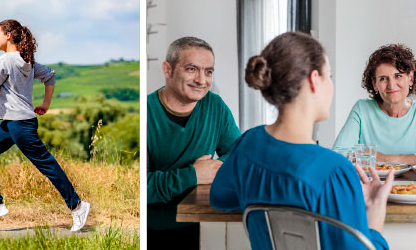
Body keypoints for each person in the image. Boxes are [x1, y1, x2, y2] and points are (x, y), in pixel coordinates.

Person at [211, 32, 391, 250]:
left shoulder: (247, 144)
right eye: (329, 76)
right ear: (315, 80)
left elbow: (220, 198)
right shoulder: (334, 171)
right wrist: (375, 216)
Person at [0, 19, 90, 232]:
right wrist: (46, 104)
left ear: (8, 35)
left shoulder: (5, 60)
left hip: (20, 124)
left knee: (46, 164)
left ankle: (78, 206)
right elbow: (50, 76)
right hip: (12, 122)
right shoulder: (26, 60)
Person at [147, 36, 241, 248]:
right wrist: (193, 175)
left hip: (201, 226)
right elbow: (139, 186)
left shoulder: (215, 106)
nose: (202, 80)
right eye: (191, 69)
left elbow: (238, 153)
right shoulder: (145, 114)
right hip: (153, 230)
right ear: (168, 70)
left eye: (208, 71)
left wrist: (213, 168)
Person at [333, 44, 416, 165]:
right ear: (375, 84)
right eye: (383, 79)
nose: (391, 85)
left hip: (415, 183)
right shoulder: (362, 109)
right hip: (371, 182)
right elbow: (340, 153)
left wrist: (386, 159)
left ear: (410, 78)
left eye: (398, 76)